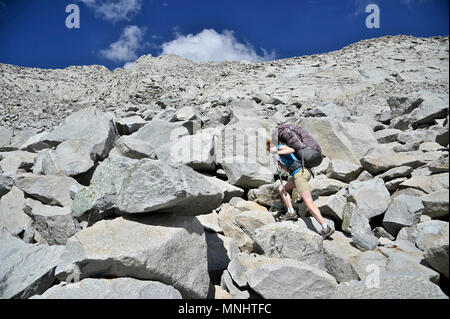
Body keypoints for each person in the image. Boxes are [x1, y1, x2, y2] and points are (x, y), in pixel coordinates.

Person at [267, 138, 334, 239]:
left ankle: (325, 227)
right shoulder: (281, 153)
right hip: (299, 173)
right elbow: (289, 169)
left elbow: (291, 150)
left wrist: (276, 150)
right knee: (282, 188)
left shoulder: (280, 147)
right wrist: (280, 164)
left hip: (300, 174)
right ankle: (291, 212)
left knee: (308, 202)